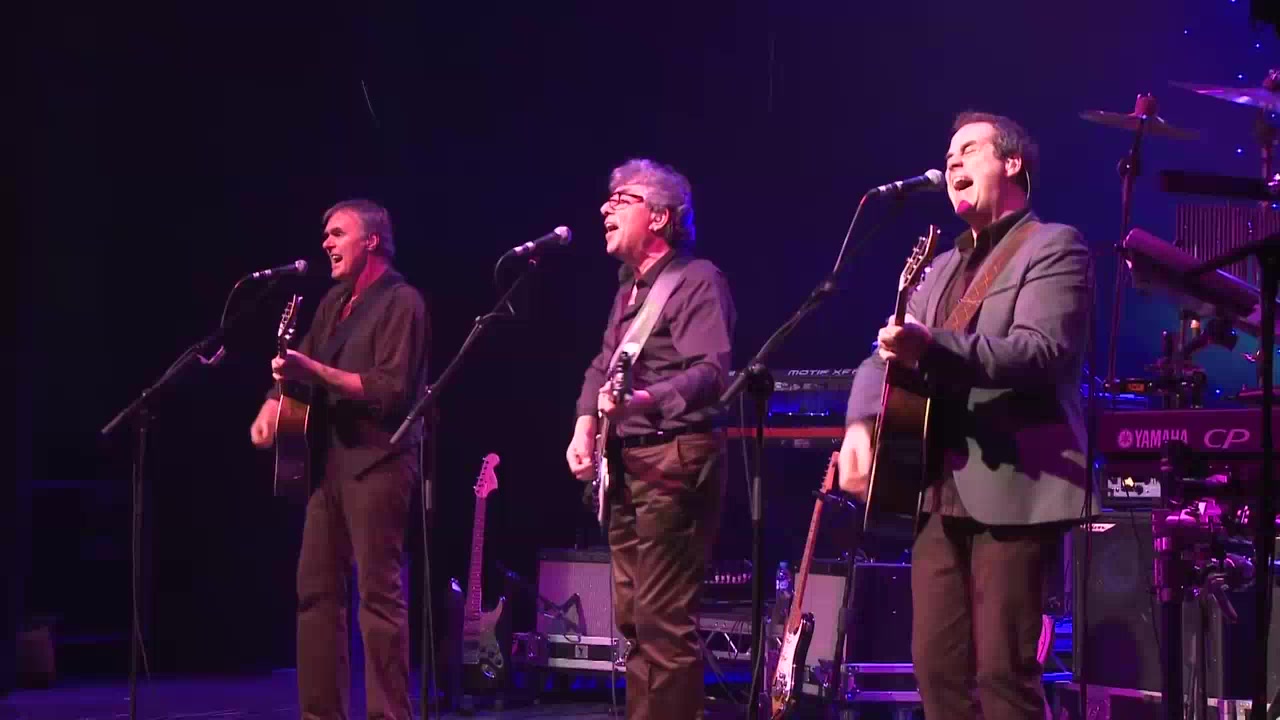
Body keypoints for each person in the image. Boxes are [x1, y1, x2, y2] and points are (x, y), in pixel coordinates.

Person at [839, 112, 1095, 720]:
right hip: (934, 489)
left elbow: (1042, 352)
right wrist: (859, 423)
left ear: (1013, 164)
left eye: (969, 150)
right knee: (937, 672)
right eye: (949, 154)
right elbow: (883, 352)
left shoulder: (1054, 245)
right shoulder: (940, 265)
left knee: (1003, 674)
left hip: (1014, 485)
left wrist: (933, 346)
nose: (952, 161)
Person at [565, 159, 735, 720]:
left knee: (663, 621)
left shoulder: (698, 280)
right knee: (635, 621)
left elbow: (711, 372)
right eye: (608, 197)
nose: (605, 207)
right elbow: (602, 363)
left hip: (674, 460)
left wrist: (642, 400)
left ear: (660, 217)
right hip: (627, 465)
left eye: (623, 198)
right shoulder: (627, 291)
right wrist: (585, 424)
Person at [249, 199, 429, 720]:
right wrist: (271, 404)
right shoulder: (332, 303)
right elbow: (298, 364)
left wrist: (313, 372)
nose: (326, 242)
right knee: (316, 594)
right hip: (328, 465)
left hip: (379, 461)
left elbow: (389, 390)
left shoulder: (402, 302)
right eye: (326, 234)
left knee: (378, 599)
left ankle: (387, 715)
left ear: (371, 240)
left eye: (337, 233)